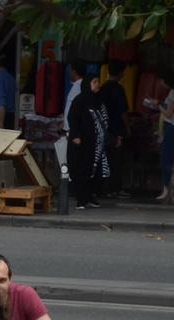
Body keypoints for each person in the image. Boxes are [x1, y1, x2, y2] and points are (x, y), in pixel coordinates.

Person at [65, 72, 109, 209]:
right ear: (87, 84)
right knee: (81, 170)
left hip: (96, 145)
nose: (97, 84)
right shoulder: (80, 101)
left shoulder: (98, 101)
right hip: (82, 143)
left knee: (93, 170)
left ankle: (90, 197)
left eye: (98, 82)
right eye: (94, 82)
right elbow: (72, 118)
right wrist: (75, 136)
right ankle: (81, 200)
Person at [97, 61, 130, 197]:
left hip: (104, 129)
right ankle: (115, 187)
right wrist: (127, 127)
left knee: (105, 159)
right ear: (121, 73)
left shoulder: (103, 89)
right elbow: (123, 112)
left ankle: (105, 187)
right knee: (116, 161)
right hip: (116, 131)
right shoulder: (119, 89)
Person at [151, 75, 174, 199]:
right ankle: (167, 188)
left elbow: (169, 113)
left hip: (171, 127)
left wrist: (157, 105)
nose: (160, 84)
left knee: (164, 161)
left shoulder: (172, 93)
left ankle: (169, 184)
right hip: (171, 127)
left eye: (161, 80)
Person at [0, 56, 17, 128]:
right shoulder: (11, 78)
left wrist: (1, 124)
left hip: (0, 115)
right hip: (11, 115)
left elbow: (2, 102)